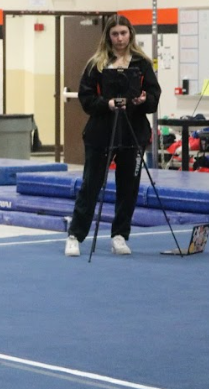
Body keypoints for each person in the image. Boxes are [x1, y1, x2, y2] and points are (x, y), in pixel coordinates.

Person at [65, 15, 161, 257]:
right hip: (101, 133)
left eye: (123, 33)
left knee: (128, 187)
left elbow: (154, 96)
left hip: (132, 132)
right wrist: (105, 104)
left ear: (130, 34)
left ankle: (119, 235)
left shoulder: (142, 63)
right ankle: (75, 235)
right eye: (115, 34)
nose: (120, 39)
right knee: (91, 184)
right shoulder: (96, 64)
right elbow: (86, 99)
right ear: (108, 36)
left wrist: (143, 100)